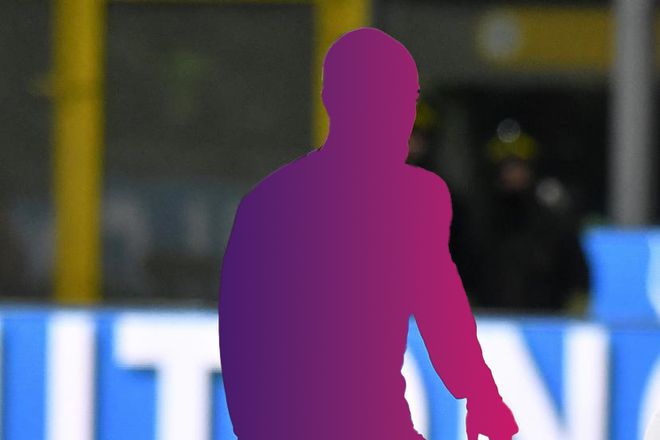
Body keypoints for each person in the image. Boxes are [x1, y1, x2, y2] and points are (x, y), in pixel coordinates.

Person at [218, 28, 518, 440]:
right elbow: (242, 337)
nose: (404, 117)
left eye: (408, 100)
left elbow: (441, 309)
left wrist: (481, 394)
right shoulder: (273, 206)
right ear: (337, 102)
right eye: (388, 100)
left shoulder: (419, 199)